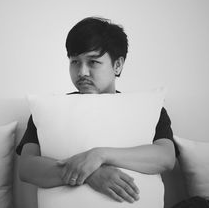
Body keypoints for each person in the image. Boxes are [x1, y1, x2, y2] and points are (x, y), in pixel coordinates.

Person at [16, 17, 179, 206]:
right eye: (75, 61)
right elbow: (27, 167)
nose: (82, 72)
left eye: (93, 62)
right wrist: (90, 172)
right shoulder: (49, 108)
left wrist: (99, 155)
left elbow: (166, 158)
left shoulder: (147, 108)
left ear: (117, 65)